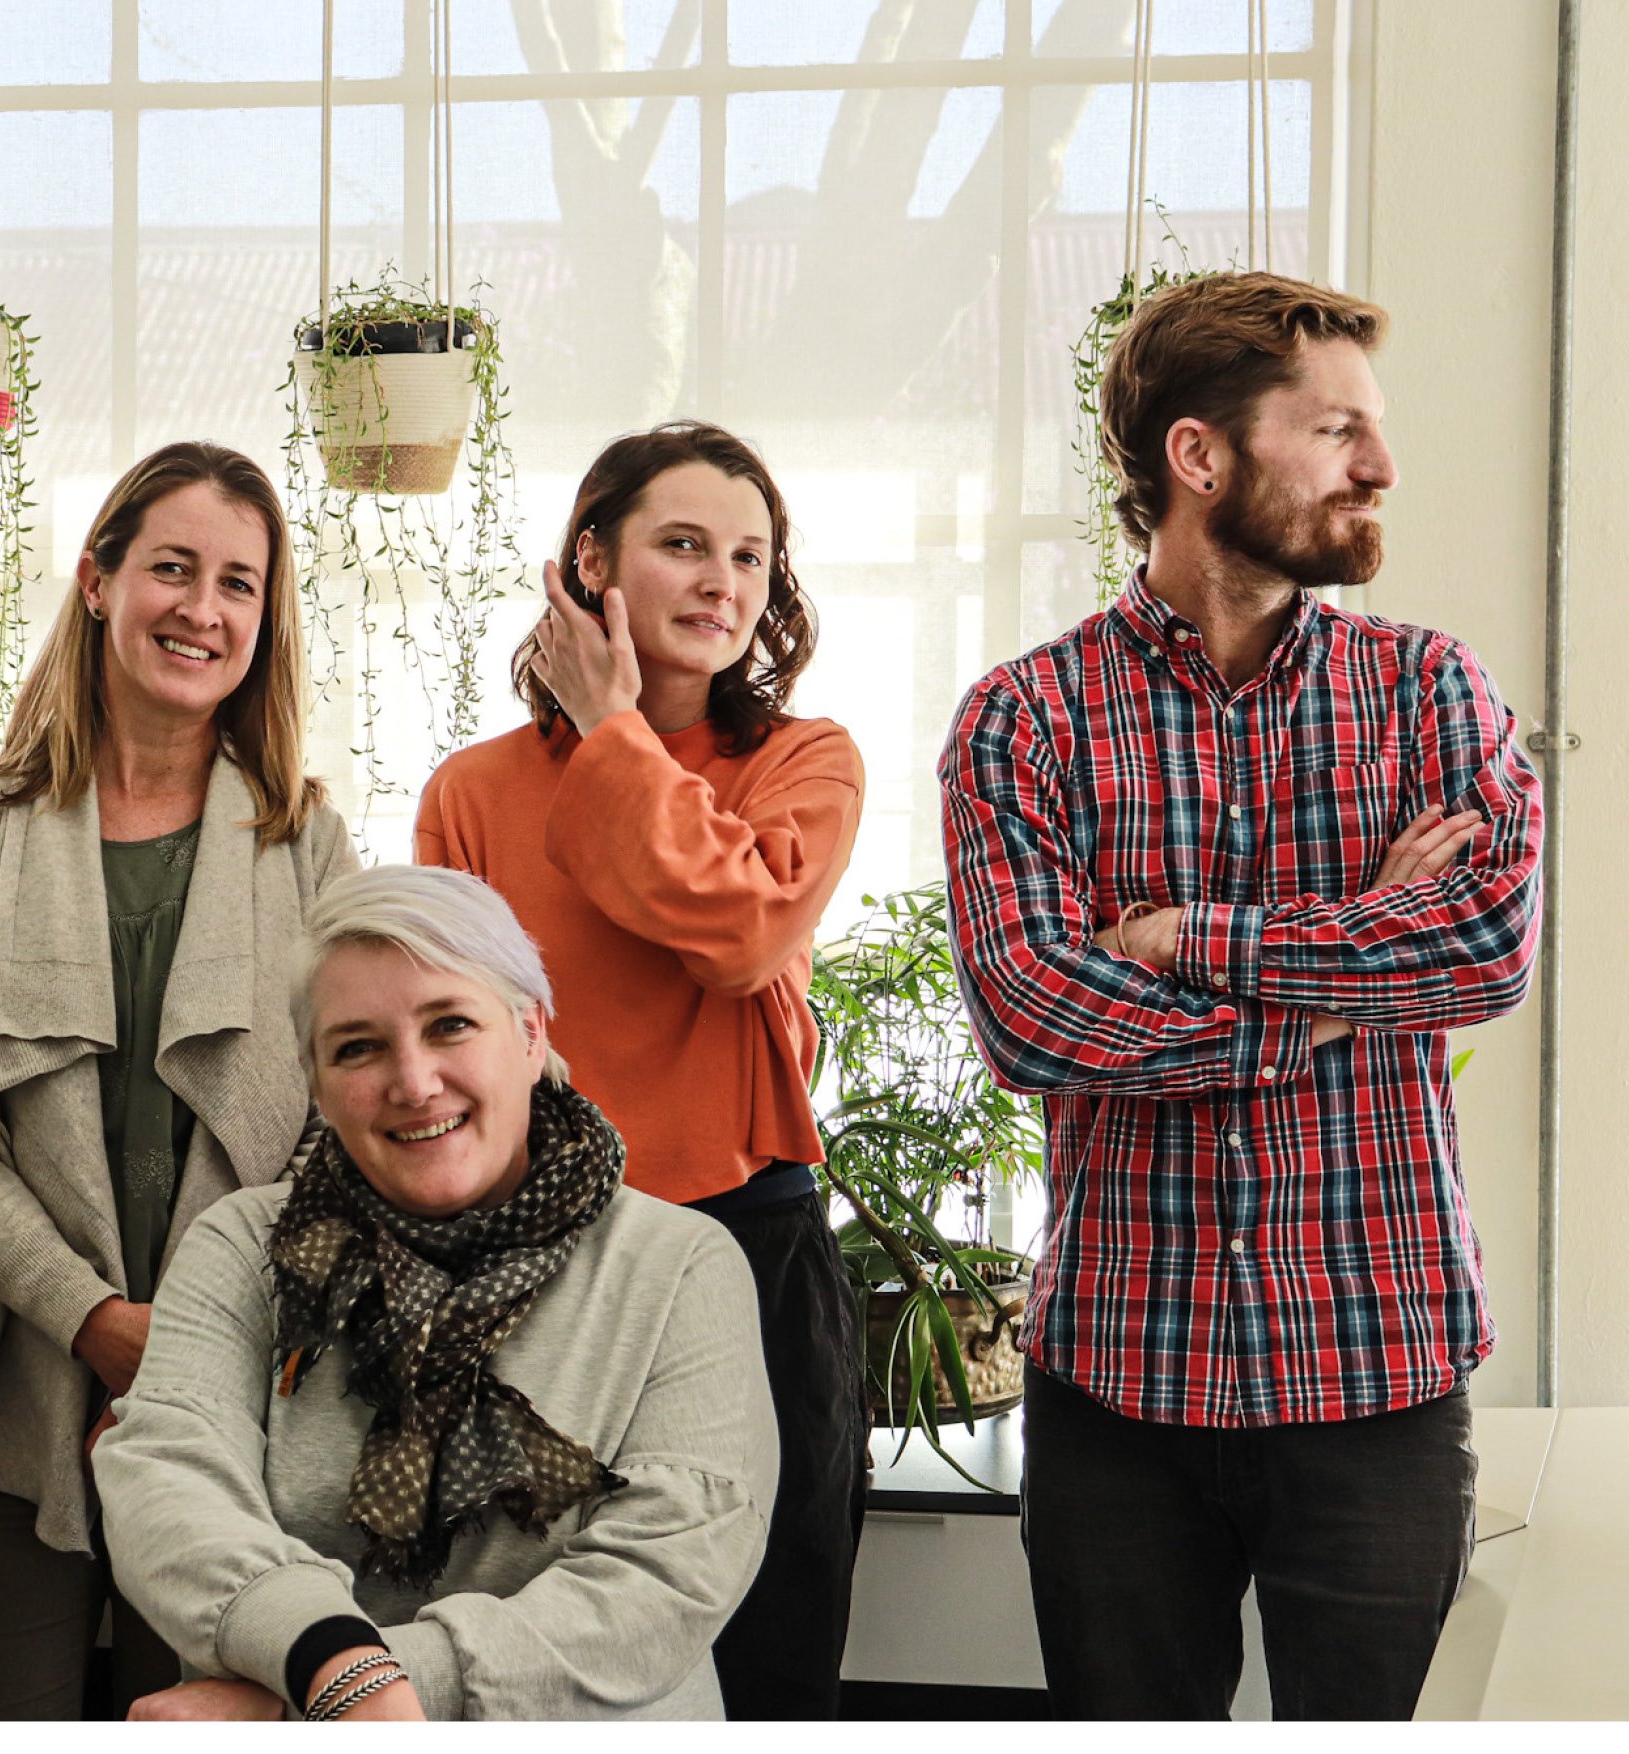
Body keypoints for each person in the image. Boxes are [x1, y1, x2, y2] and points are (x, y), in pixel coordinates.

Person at [939, 271, 1544, 1720]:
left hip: (1379, 1375)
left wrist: (1174, 933)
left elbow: (1482, 950)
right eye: (1336, 430)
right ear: (1198, 457)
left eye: (1372, 432)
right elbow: (1034, 1015)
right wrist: (1351, 970)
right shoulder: (1024, 717)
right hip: (1119, 1390)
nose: (1380, 465)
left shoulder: (1432, 695)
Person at [0, 441, 358, 1720]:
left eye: (237, 583)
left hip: (239, 1405)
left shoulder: (306, 843)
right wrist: (89, 1319)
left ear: (266, 615)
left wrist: (188, 1351)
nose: (201, 609)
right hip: (4, 1381)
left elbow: (343, 1126)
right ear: (97, 580)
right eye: (172, 569)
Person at [413, 420, 867, 1718]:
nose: (726, 581)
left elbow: (741, 933)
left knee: (773, 1655)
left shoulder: (803, 758)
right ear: (590, 564)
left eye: (750, 555)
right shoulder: (472, 791)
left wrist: (613, 730)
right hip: (539, 1272)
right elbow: (450, 1058)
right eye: (683, 544)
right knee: (540, 1660)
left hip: (755, 1260)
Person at [96, 864, 776, 1721]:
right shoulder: (244, 1248)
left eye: (450, 1025)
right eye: (358, 1047)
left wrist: (348, 1694)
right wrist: (330, 1664)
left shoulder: (681, 1264)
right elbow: (169, 1481)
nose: (413, 1083)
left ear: (531, 1034)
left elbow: (668, 1575)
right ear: (313, 1079)